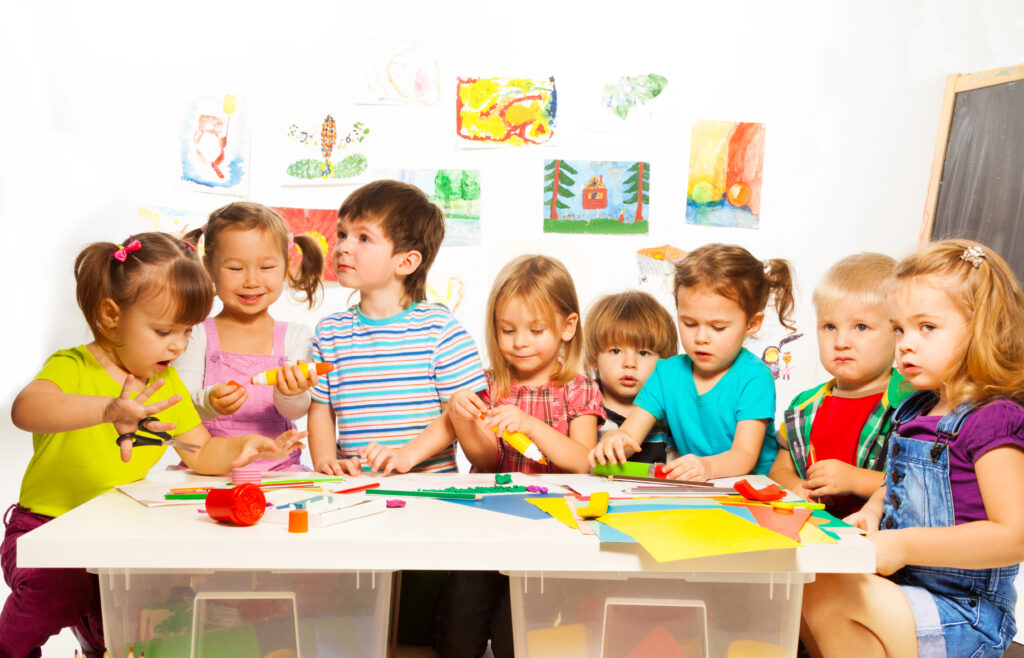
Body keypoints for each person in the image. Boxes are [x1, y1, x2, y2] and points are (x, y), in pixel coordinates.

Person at [1, 232, 305, 657]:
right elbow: (26, 409)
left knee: (130, 627)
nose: (178, 344)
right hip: (46, 530)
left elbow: (199, 451)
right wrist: (109, 410)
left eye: (186, 331)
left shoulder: (166, 383)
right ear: (111, 315)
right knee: (59, 593)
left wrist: (246, 448)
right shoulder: (73, 365)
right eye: (164, 330)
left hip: (116, 536)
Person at [802, 239, 1024, 658]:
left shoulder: (993, 419)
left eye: (927, 327)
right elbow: (896, 483)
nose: (905, 343)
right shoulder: (913, 410)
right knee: (807, 581)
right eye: (900, 328)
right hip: (908, 593)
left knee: (830, 589)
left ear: (982, 328)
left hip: (965, 612)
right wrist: (870, 514)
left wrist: (903, 545)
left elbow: (1014, 535)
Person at [422, 254, 604, 658]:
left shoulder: (578, 388)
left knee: (515, 643)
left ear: (567, 327)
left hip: (550, 534)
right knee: (455, 642)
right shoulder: (487, 384)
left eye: (536, 330)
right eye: (507, 330)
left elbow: (583, 461)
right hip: (487, 528)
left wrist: (531, 425)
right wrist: (462, 417)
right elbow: (485, 461)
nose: (520, 341)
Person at [307, 180, 488, 476]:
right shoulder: (329, 332)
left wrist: (406, 455)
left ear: (405, 262)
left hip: (429, 493)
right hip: (355, 490)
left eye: (363, 238)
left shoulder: (440, 330)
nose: (342, 247)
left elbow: (457, 414)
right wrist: (326, 460)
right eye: (342, 234)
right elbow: (320, 409)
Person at [589, 243, 794, 480]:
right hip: (700, 487)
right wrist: (615, 442)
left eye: (717, 327)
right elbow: (631, 434)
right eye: (689, 323)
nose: (701, 338)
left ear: (751, 324)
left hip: (755, 487)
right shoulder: (666, 373)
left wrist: (707, 468)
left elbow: (744, 455)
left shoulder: (755, 377)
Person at [175, 202, 324, 471]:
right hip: (208, 471)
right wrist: (208, 402)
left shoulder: (296, 336)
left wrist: (289, 393)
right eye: (235, 269)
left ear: (286, 266)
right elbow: (179, 408)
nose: (251, 281)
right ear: (208, 267)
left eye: (266, 267)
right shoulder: (196, 332)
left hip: (278, 470)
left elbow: (297, 411)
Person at [769, 253, 912, 518]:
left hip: (878, 546)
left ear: (898, 332)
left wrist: (855, 480)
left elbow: (918, 484)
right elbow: (779, 470)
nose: (841, 341)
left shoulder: (911, 404)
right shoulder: (805, 405)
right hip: (814, 534)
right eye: (830, 326)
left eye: (861, 326)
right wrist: (795, 486)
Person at [584, 290, 679, 463]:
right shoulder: (582, 402)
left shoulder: (669, 407)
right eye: (616, 351)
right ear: (594, 359)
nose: (629, 363)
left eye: (643, 353)